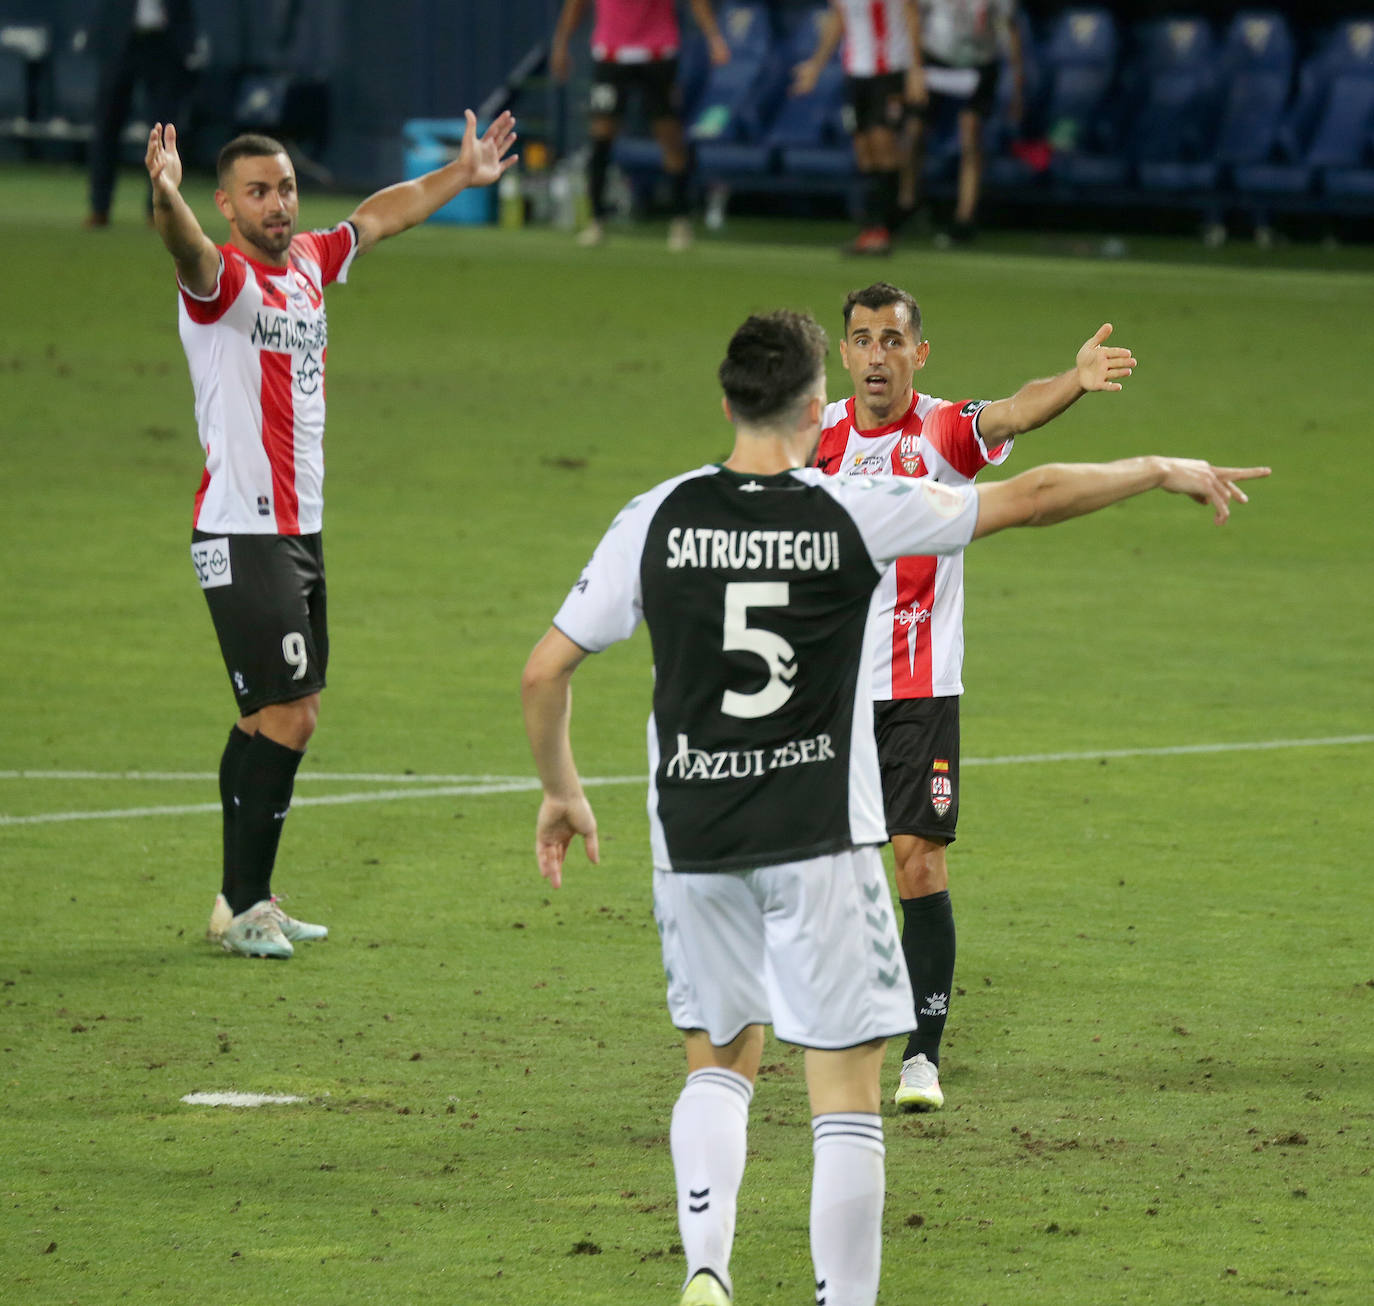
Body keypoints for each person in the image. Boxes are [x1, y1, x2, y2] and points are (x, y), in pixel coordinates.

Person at [521, 308, 1265, 1306]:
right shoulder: (852, 508)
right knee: (845, 1098)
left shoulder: (653, 515)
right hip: (818, 837)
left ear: (726, 397)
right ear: (815, 403)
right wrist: (1158, 466)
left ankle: (707, 1265)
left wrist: (563, 790)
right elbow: (1033, 495)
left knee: (718, 1064)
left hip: (693, 843)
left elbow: (544, 672)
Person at [146, 110, 517, 958]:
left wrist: (460, 174)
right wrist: (163, 196)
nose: (277, 205)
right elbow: (186, 249)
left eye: (285, 188)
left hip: (299, 533)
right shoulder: (223, 284)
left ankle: (241, 898)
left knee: (262, 719)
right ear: (226, 205)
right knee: (293, 715)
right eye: (257, 193)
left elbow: (380, 216)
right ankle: (246, 907)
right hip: (243, 528)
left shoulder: (310, 262)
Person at [814, 280, 1136, 1110]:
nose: (877, 354)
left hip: (921, 690)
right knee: (826, 872)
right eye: (862, 338)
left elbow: (1013, 415)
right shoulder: (815, 439)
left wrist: (1073, 380)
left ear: (919, 355)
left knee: (917, 864)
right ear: (843, 352)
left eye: (893, 340)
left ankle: (921, 1056)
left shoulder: (941, 431)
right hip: (829, 693)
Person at [550, 0, 730, 251]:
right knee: (601, 135)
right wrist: (561, 44)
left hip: (658, 52)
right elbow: (575, 5)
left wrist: (714, 38)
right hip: (611, 53)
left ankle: (680, 220)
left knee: (669, 135)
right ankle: (596, 220)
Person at [792, 1, 926, 256]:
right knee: (864, 151)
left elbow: (912, 18)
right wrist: (815, 66)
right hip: (855, 74)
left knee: (883, 144)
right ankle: (872, 228)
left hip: (890, 72)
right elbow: (838, 20)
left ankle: (886, 228)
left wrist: (916, 70)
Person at [905, 0, 1024, 245]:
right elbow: (913, 16)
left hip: (979, 62)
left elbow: (1008, 28)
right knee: (915, 131)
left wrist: (1017, 87)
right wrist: (914, 67)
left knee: (971, 135)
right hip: (936, 56)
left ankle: (964, 218)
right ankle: (907, 203)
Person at [84, 0, 196, 228]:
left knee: (165, 133)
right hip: (120, 39)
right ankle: (99, 207)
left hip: (164, 42)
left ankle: (160, 209)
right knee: (107, 126)